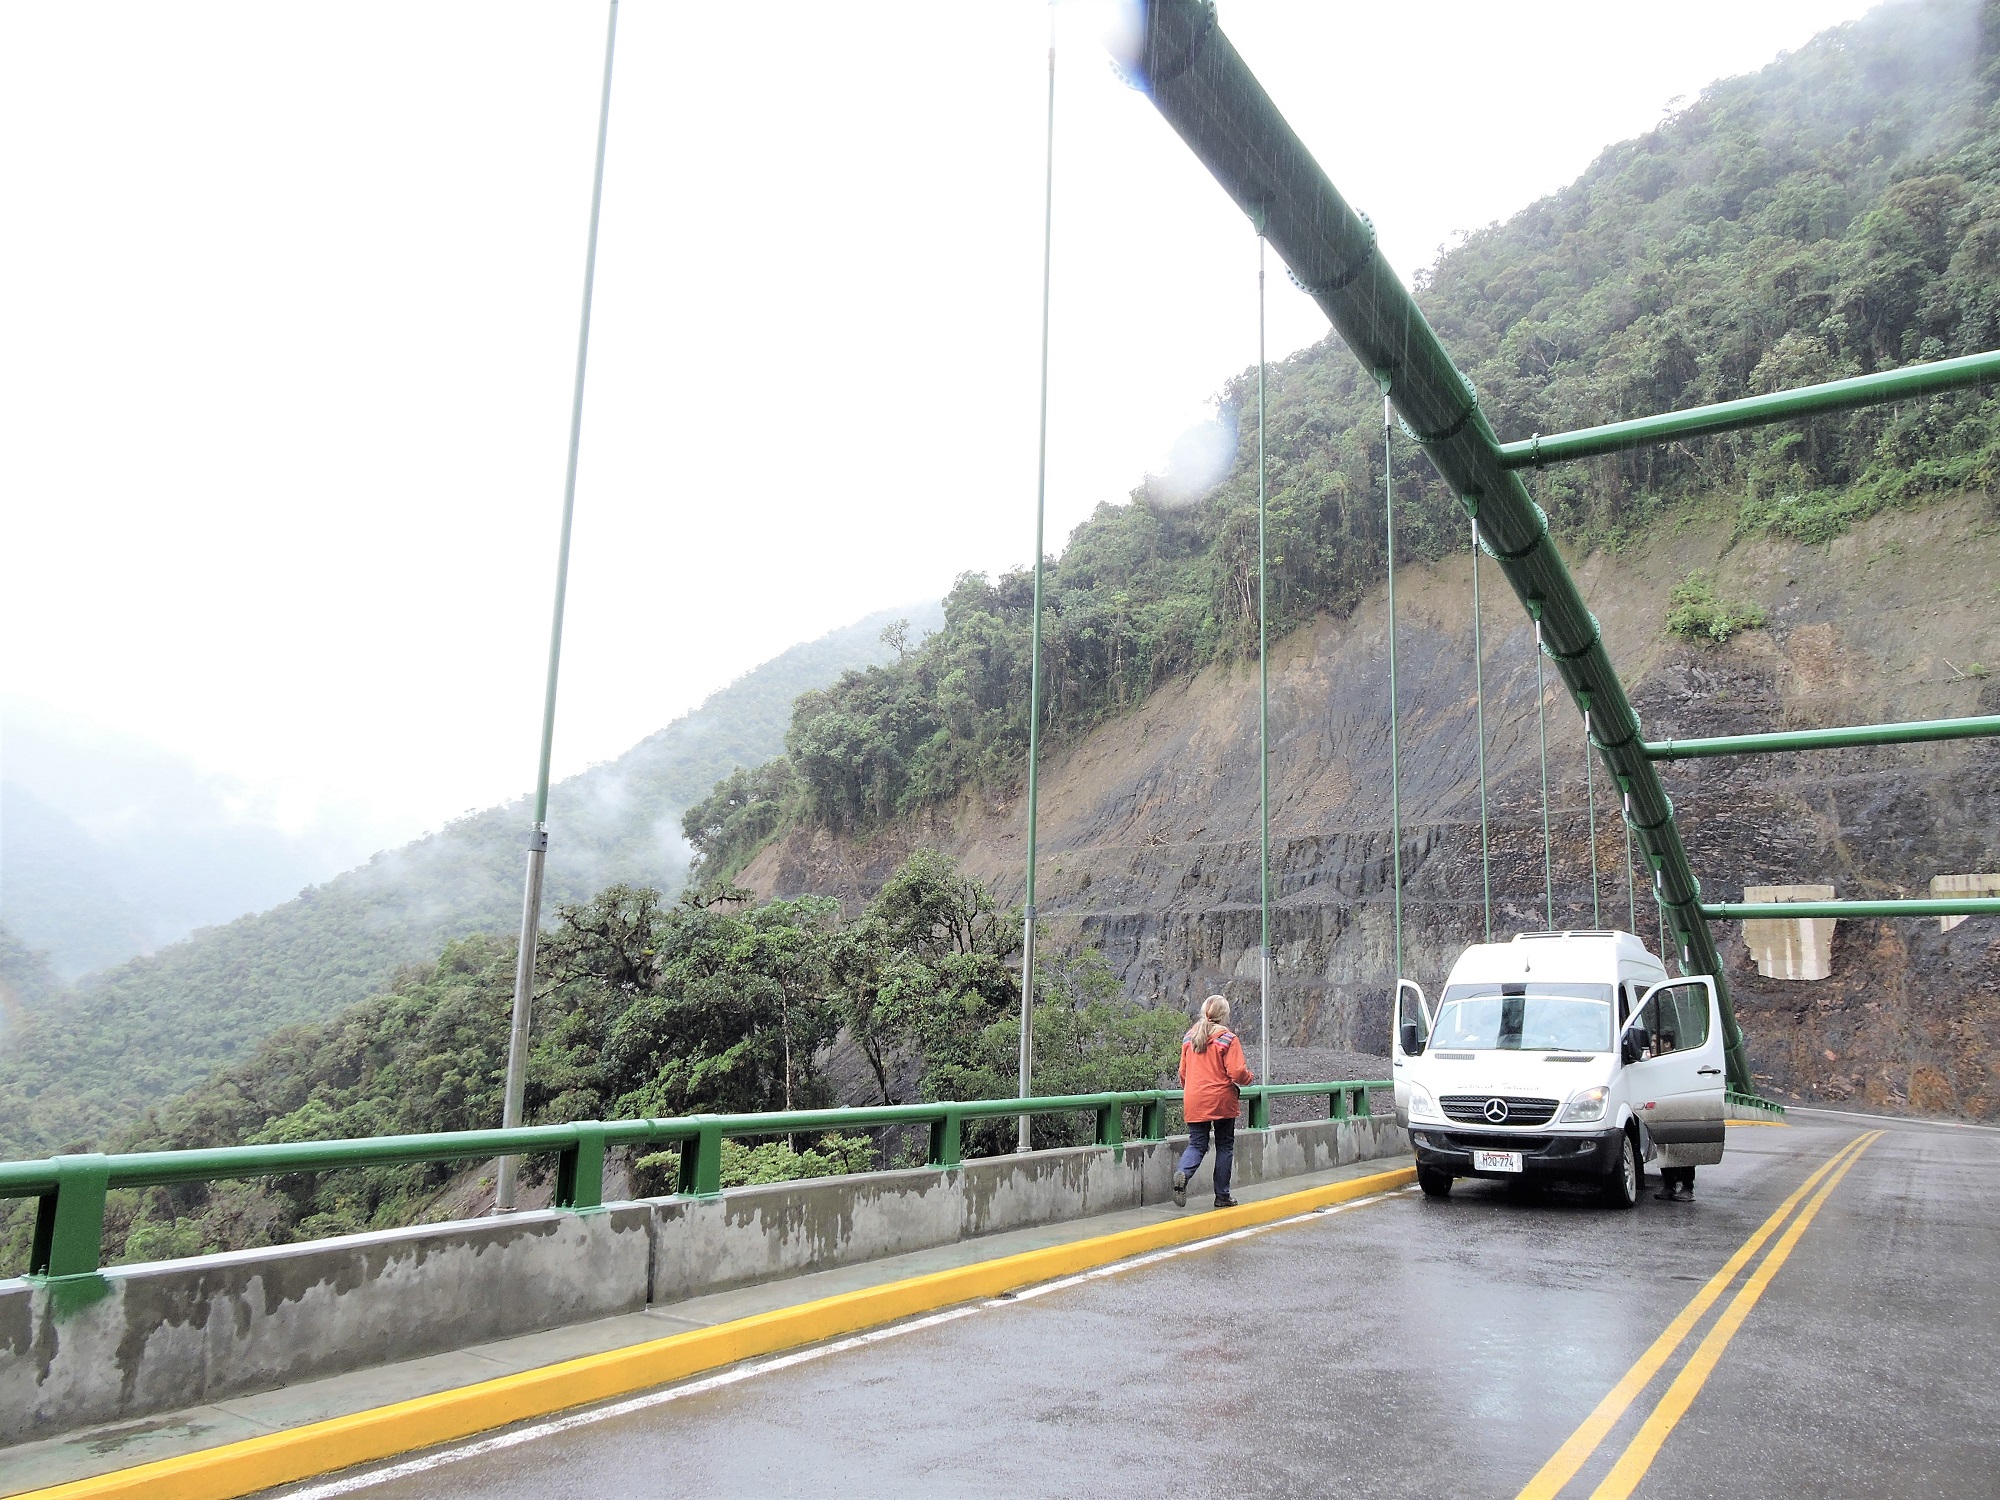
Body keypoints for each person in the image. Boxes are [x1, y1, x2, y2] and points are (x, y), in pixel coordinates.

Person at [1172, 995, 1255, 1209]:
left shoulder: (1189, 1037)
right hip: (1221, 1099)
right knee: (1224, 1145)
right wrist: (1249, 1078)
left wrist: (1192, 1089)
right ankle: (1222, 1196)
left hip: (1194, 1098)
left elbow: (1183, 1072)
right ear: (1224, 1014)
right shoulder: (1227, 1038)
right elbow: (1236, 1072)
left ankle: (1183, 1172)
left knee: (1197, 1143)